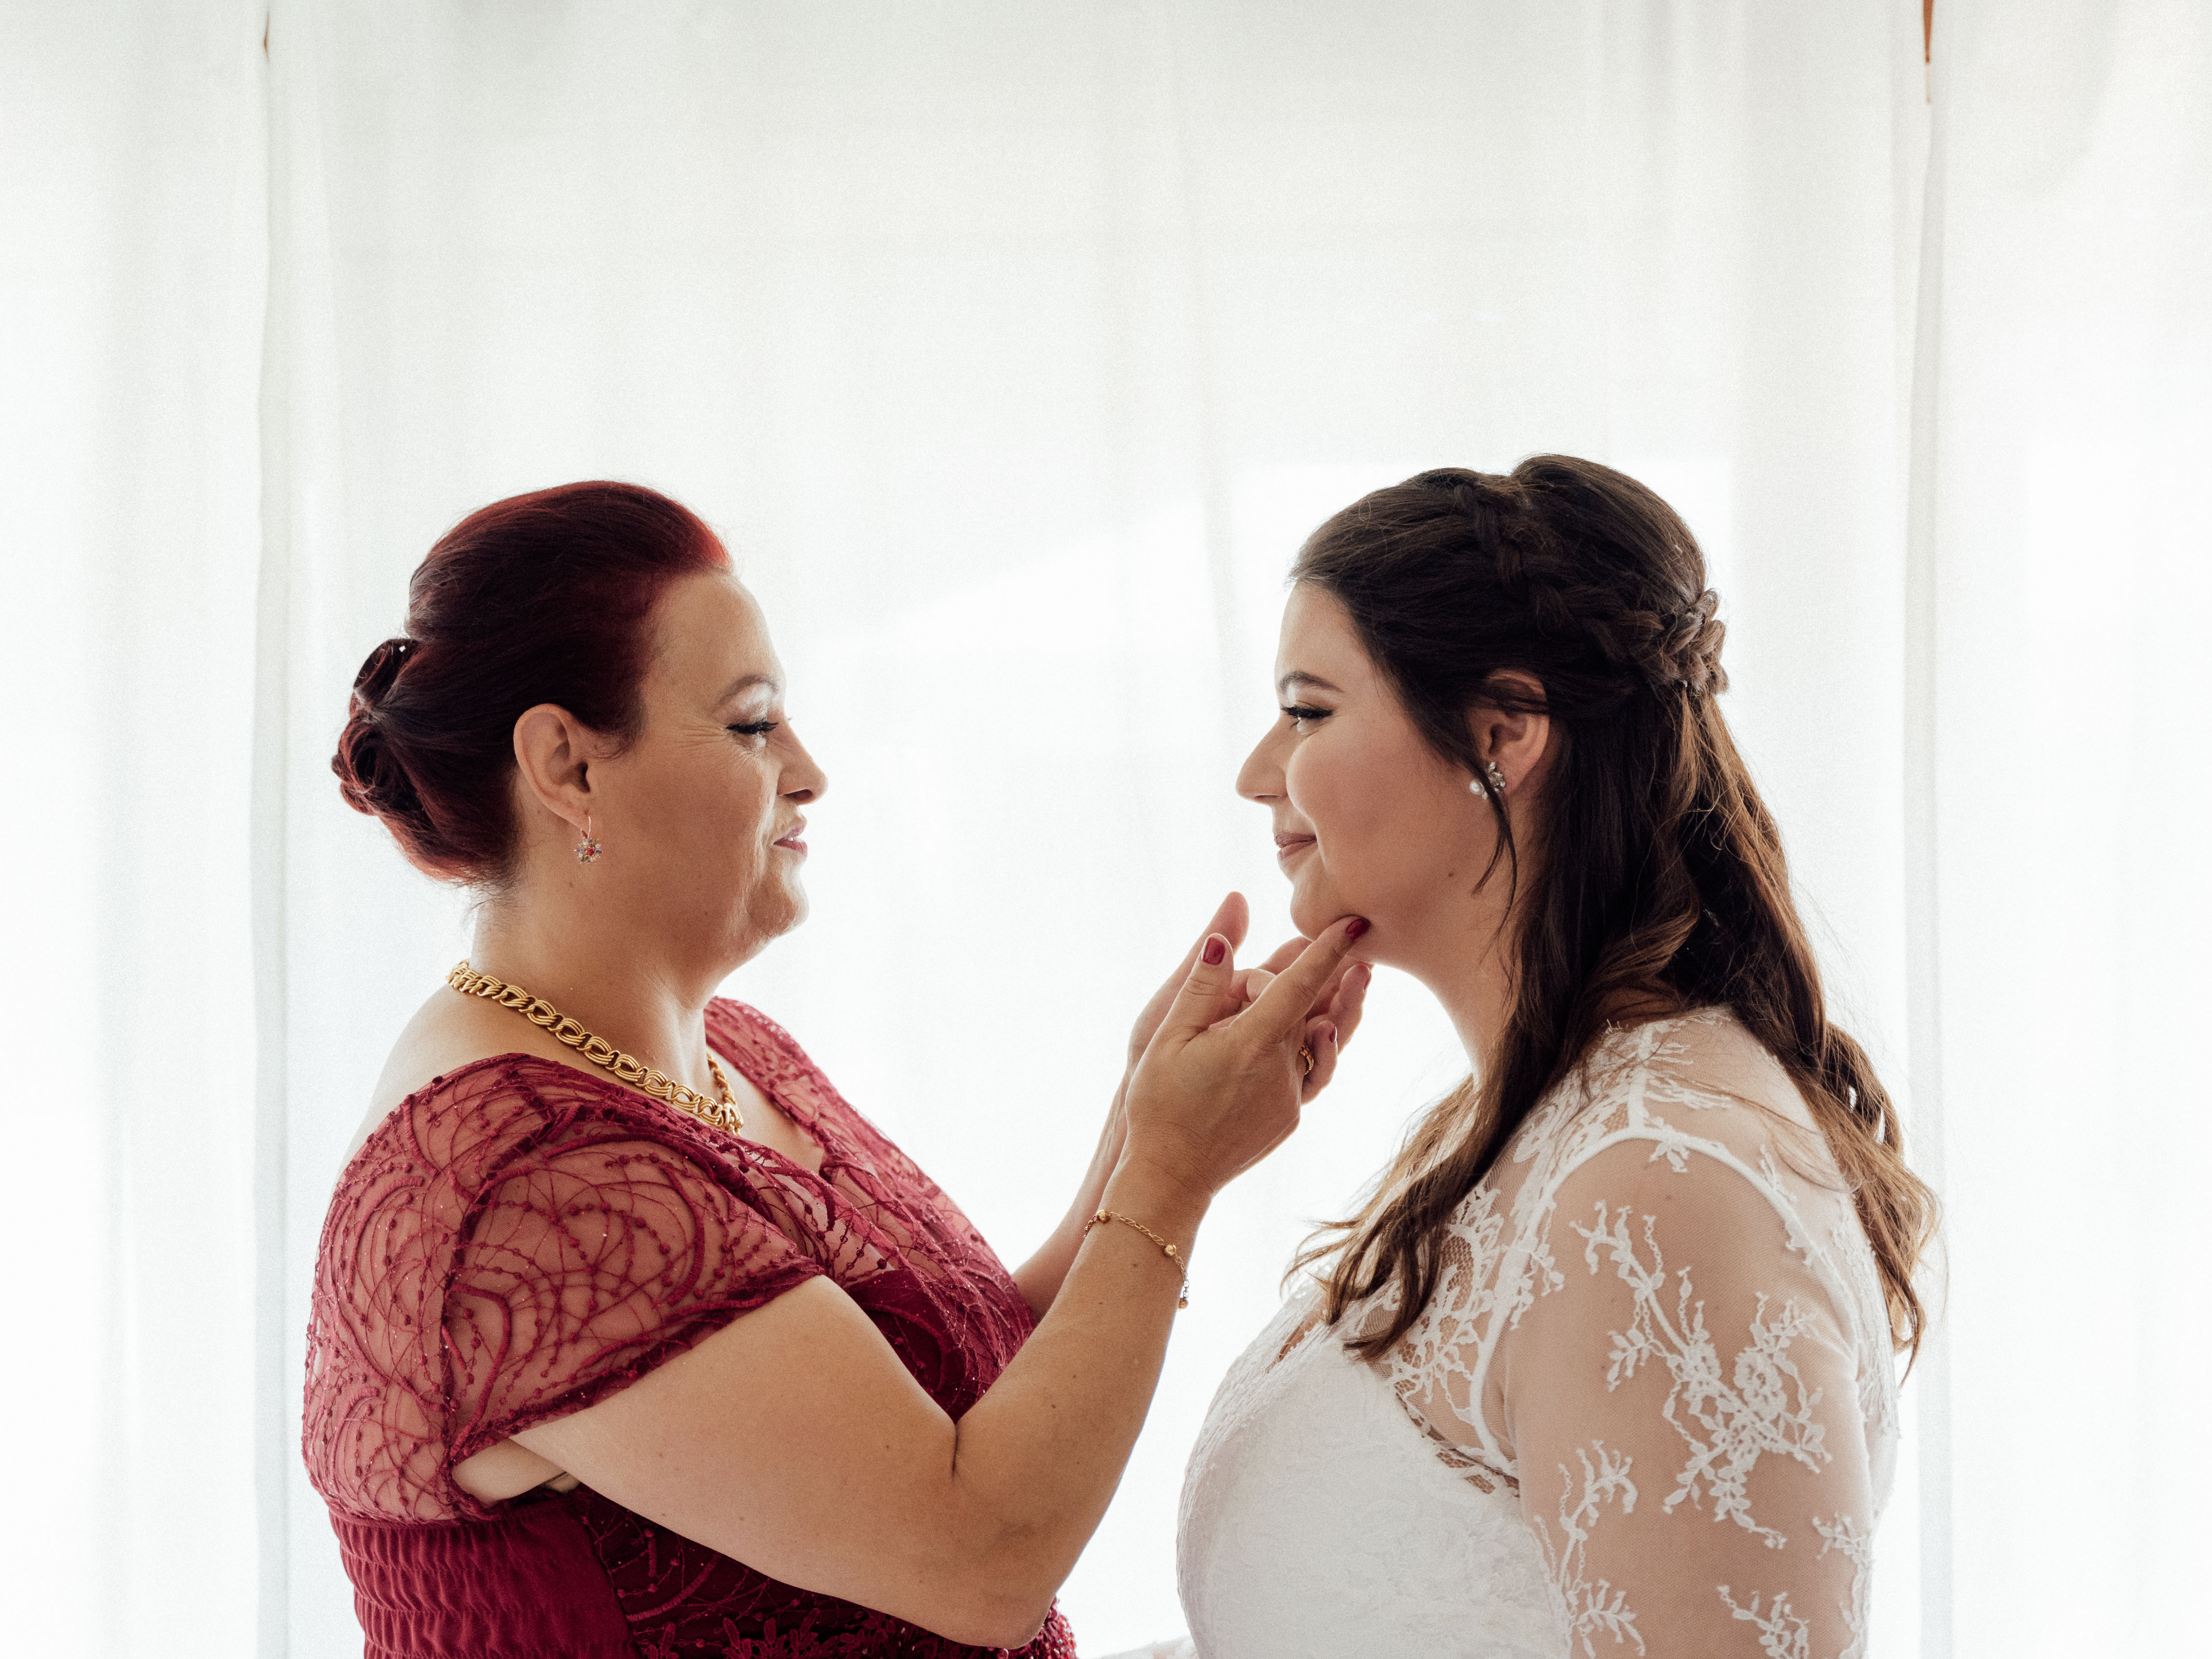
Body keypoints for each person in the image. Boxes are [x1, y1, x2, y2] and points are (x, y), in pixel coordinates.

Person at [304, 480, 1372, 1659]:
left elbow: (947, 1403)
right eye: (753, 723)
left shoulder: (730, 1055)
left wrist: (1146, 1120)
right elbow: (979, 1561)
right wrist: (1170, 1171)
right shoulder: (532, 1184)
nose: (808, 772)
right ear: (566, 766)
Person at [1166, 459, 1938, 1657]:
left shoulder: (1657, 1185)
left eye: (1309, 709)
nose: (1259, 772)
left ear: (1501, 734)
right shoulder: (1533, 1129)